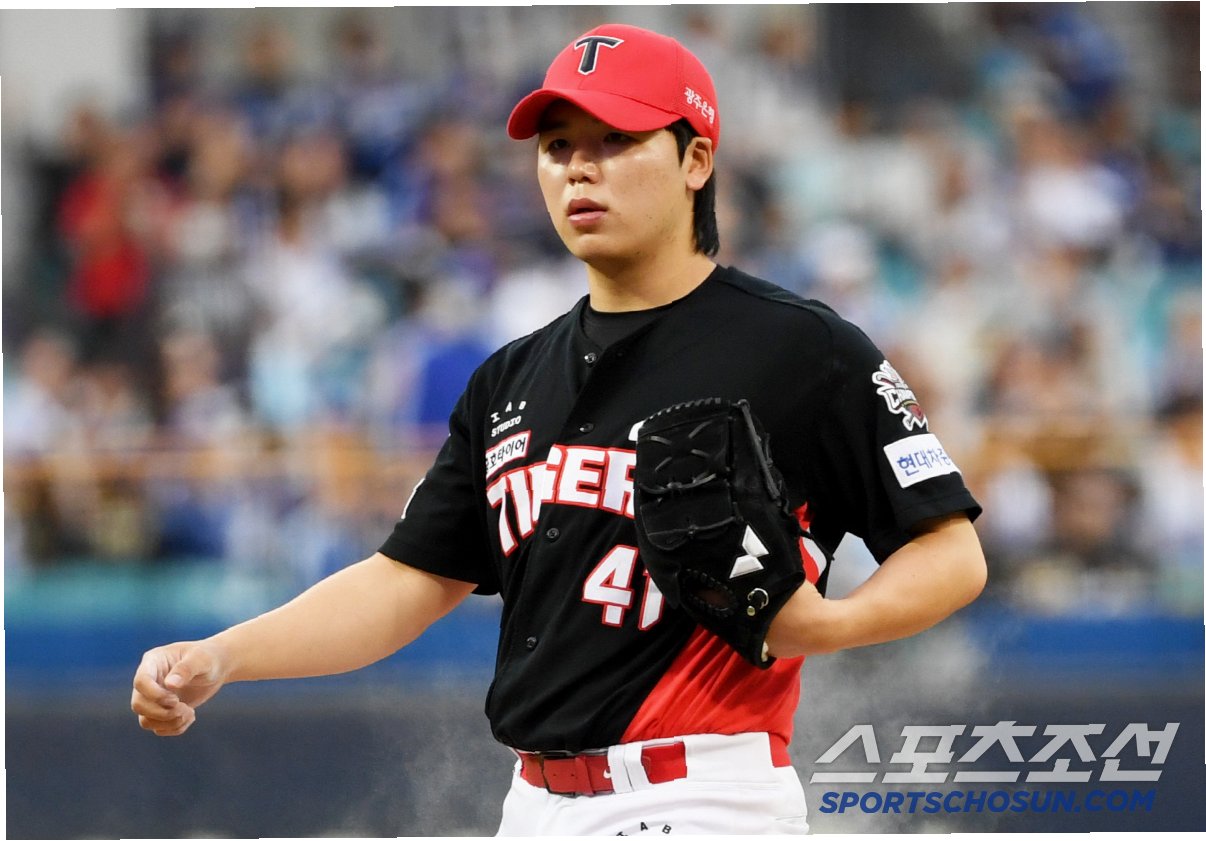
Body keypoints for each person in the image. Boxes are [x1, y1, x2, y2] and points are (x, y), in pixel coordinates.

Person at [132, 24, 986, 835]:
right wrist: (224, 655)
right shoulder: (510, 379)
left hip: (701, 794)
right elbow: (404, 582)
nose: (580, 168)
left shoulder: (798, 347)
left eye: (616, 140)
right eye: (558, 146)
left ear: (696, 160)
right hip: (534, 803)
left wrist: (830, 625)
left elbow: (950, 551)